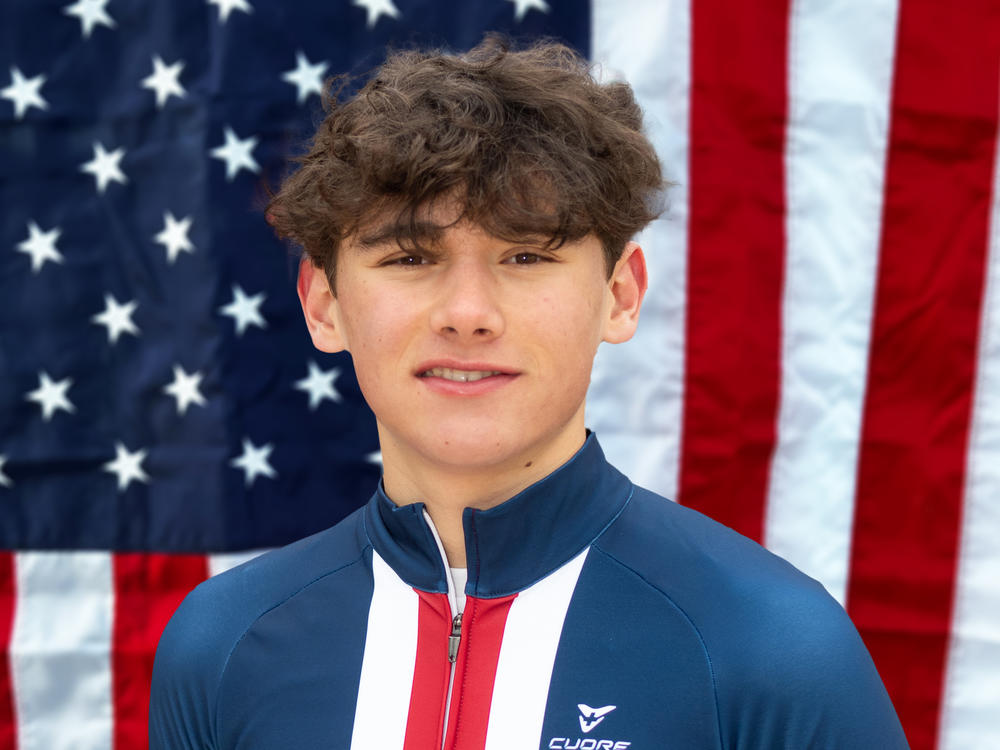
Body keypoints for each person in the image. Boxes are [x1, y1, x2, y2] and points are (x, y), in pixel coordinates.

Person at [149, 36, 910, 749]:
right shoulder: (222, 646)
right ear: (323, 304)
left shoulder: (772, 647)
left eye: (525, 254)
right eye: (412, 256)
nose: (468, 315)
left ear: (620, 296)